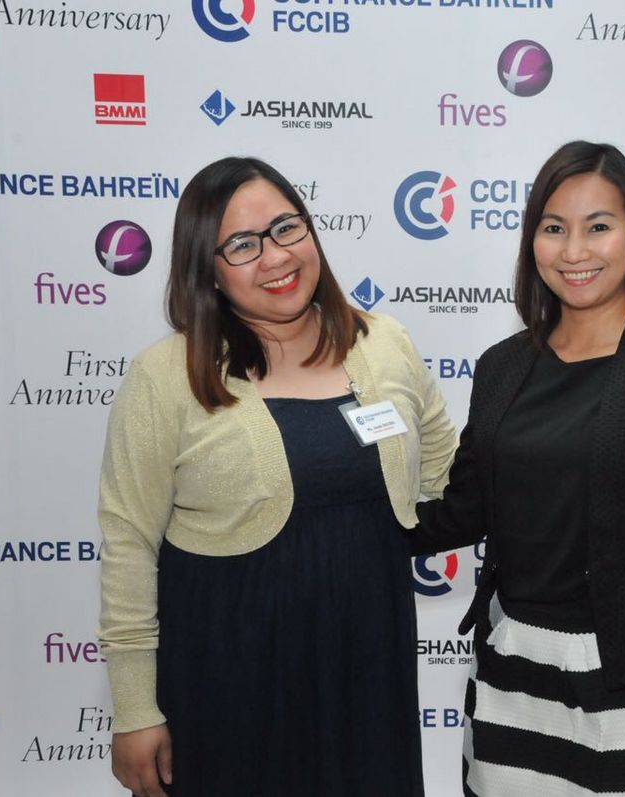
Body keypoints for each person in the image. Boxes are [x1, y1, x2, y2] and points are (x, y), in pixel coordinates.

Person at [97, 156, 456, 797]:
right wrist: (134, 709)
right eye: (242, 244)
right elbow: (128, 545)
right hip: (228, 683)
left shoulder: (385, 343)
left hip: (367, 671)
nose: (275, 257)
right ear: (206, 268)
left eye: (287, 228)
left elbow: (449, 473)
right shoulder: (164, 375)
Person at [410, 141, 625, 797]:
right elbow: (464, 509)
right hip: (514, 671)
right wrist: (339, 510)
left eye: (599, 227)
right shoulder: (503, 366)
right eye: (554, 228)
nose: (574, 250)